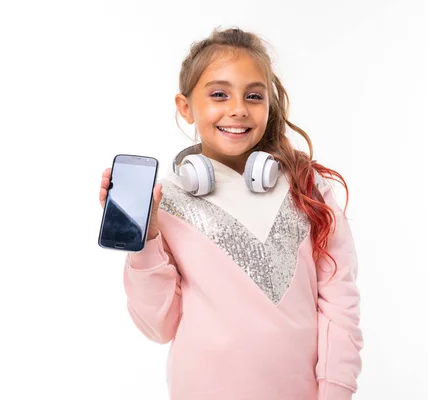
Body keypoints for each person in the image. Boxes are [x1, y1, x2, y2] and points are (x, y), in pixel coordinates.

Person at [99, 27, 363, 400]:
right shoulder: (166, 200)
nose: (238, 108)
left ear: (269, 105)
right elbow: (159, 326)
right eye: (219, 94)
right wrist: (147, 239)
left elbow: (340, 302)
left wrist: (335, 391)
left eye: (253, 96)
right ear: (185, 106)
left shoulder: (310, 186)